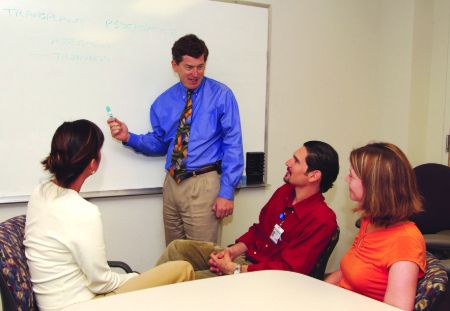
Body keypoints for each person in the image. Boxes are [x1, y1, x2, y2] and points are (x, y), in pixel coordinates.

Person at [24, 120, 195, 311]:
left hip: (57, 301)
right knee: (183, 268)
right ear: (92, 164)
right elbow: (101, 283)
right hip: (81, 305)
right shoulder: (83, 212)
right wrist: (133, 277)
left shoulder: (39, 191)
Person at [107, 34, 244, 246]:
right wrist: (129, 137)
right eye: (189, 67)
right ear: (175, 65)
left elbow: (233, 145)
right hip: (172, 185)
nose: (195, 73)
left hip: (204, 184)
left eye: (200, 66)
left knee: (201, 258)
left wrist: (227, 191)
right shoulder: (163, 101)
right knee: (174, 256)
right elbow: (162, 143)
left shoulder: (222, 95)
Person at [156, 141, 339, 279]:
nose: (288, 162)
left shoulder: (321, 220)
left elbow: (288, 271)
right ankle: (138, 290)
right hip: (245, 260)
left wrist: (234, 269)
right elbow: (259, 230)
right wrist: (230, 253)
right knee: (177, 249)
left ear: (314, 175)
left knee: (184, 281)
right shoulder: (285, 192)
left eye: (296, 161)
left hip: (263, 279)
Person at [325, 142, 426, 311]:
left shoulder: (405, 241)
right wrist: (318, 291)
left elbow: (396, 308)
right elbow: (346, 273)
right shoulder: (370, 221)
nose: (346, 179)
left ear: (373, 186)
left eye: (351, 176)